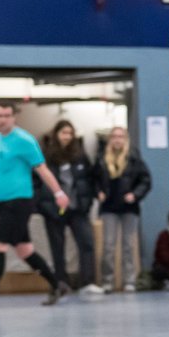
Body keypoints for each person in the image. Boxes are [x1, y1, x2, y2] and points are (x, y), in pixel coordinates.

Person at [0, 102, 69, 307]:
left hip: (19, 201)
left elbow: (42, 169)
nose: (2, 120)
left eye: (7, 115)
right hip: (1, 204)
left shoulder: (24, 140)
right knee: (24, 250)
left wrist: (58, 192)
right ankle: (57, 284)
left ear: (14, 117)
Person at [37, 120, 101, 293]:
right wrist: (43, 205)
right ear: (56, 134)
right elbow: (37, 181)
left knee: (86, 243)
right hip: (54, 208)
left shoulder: (80, 155)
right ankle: (61, 282)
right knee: (57, 247)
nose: (67, 136)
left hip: (77, 208)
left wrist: (88, 201)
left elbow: (89, 178)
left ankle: (87, 282)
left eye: (69, 133)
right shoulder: (46, 156)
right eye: (63, 133)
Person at [95, 126, 151, 293]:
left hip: (129, 208)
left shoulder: (134, 158)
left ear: (125, 139)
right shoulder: (101, 158)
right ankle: (107, 281)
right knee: (108, 245)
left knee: (128, 245)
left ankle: (130, 281)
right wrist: (98, 192)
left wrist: (135, 195)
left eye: (121, 136)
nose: (117, 139)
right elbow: (94, 179)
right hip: (109, 208)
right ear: (110, 139)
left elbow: (145, 180)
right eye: (114, 136)